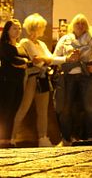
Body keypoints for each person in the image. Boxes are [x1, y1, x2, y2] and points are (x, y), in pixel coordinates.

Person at [14, 14, 63, 147]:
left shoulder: (40, 43)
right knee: (23, 108)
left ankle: (43, 138)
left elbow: (49, 59)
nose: (44, 29)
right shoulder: (25, 42)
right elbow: (38, 62)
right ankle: (11, 137)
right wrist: (45, 60)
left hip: (43, 78)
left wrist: (44, 59)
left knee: (43, 111)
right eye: (42, 27)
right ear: (36, 27)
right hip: (31, 79)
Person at [53, 14, 92, 145]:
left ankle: (89, 136)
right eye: (77, 23)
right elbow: (54, 58)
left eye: (83, 23)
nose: (80, 26)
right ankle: (67, 137)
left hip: (86, 77)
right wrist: (67, 59)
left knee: (88, 107)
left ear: (87, 26)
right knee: (66, 107)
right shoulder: (64, 40)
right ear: (72, 26)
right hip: (68, 76)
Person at [0, 19, 27, 147]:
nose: (17, 31)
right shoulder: (4, 45)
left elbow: (26, 60)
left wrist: (23, 63)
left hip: (19, 81)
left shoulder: (20, 46)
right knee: (6, 110)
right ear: (8, 30)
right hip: (7, 81)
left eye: (19, 28)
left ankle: (7, 140)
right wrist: (23, 62)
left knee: (13, 111)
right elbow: (13, 60)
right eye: (14, 28)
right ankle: (2, 139)